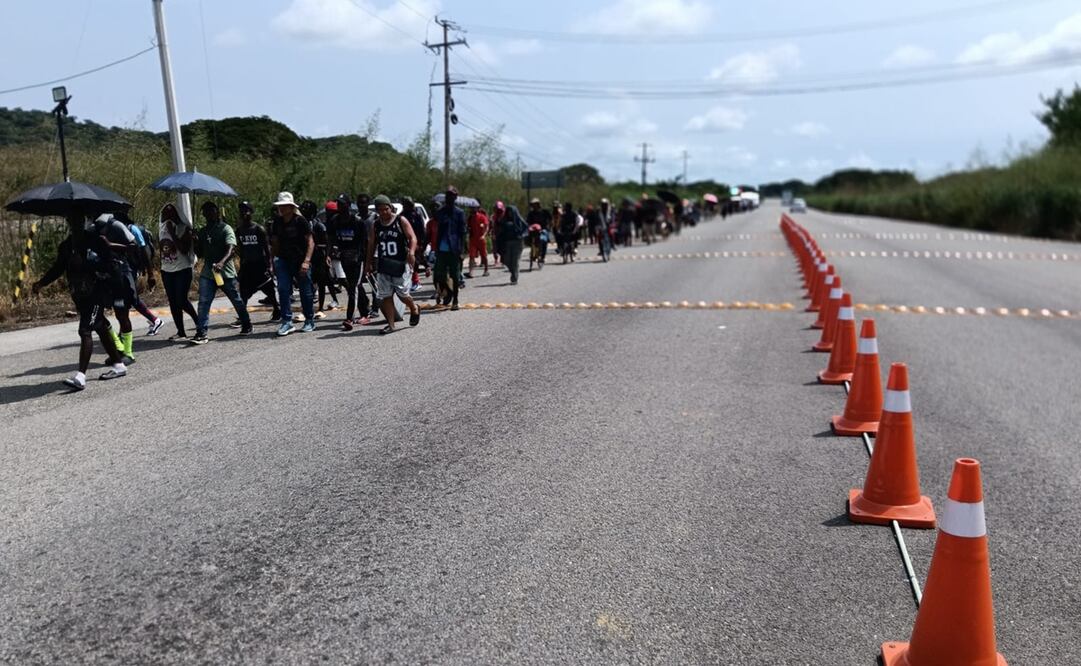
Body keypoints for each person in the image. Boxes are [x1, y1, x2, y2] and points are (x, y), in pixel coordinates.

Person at [33, 210, 127, 389]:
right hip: (80, 295)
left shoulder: (96, 241)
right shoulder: (67, 246)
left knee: (85, 330)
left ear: (83, 221)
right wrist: (41, 283)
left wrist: (86, 264)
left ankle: (80, 376)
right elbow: (58, 269)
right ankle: (118, 364)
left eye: (78, 220)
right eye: (71, 220)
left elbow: (112, 265)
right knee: (99, 326)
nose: (75, 224)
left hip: (97, 294)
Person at [190, 201, 251, 343]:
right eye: (205, 212)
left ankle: (246, 324)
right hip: (208, 273)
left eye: (211, 211)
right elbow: (200, 253)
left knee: (236, 300)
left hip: (225, 272)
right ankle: (201, 333)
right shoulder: (203, 231)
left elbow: (232, 249)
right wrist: (195, 241)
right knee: (203, 302)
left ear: (217, 212)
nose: (208, 214)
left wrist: (222, 262)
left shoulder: (225, 228)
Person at [366, 195, 420, 334]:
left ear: (390, 207)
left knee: (402, 295)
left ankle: (414, 307)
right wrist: (369, 263)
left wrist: (412, 252)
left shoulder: (400, 220)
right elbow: (371, 245)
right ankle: (391, 325)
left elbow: (412, 237)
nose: (384, 212)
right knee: (386, 296)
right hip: (384, 265)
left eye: (386, 209)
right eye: (380, 210)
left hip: (400, 263)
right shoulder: (376, 225)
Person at [91, 212, 139, 364]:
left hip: (121, 276)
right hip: (103, 278)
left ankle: (128, 353)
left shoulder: (116, 225)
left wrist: (111, 245)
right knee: (98, 316)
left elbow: (134, 246)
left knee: (122, 315)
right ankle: (118, 348)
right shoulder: (92, 228)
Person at [270, 192, 315, 335]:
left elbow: (310, 242)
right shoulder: (276, 222)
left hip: (300, 260)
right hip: (283, 260)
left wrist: (306, 261)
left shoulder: (300, 221)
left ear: (291, 206)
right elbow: (275, 243)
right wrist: (272, 262)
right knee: (283, 289)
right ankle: (287, 322)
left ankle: (309, 320)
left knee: (305, 292)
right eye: (280, 206)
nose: (281, 209)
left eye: (284, 206)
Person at [158, 202, 200, 340]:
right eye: (165, 212)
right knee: (173, 302)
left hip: (182, 269)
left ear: (176, 214)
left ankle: (199, 324)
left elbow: (183, 249)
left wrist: (172, 233)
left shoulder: (184, 229)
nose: (167, 215)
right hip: (167, 270)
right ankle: (180, 331)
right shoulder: (161, 227)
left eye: (170, 212)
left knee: (181, 300)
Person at [329, 193, 370, 330]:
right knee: (354, 287)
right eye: (338, 204)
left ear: (348, 205)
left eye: (342, 204)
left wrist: (365, 260)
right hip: (344, 259)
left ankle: (349, 318)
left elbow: (365, 242)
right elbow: (332, 238)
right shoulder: (335, 221)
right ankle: (365, 310)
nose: (340, 206)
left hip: (358, 260)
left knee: (353, 287)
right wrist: (331, 253)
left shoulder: (357, 222)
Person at [235, 200, 280, 323]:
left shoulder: (259, 229)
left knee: (269, 290)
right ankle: (243, 316)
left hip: (260, 265)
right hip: (247, 265)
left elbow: (267, 249)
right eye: (242, 211)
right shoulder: (239, 230)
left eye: (246, 211)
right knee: (243, 292)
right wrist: (241, 266)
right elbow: (240, 249)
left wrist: (270, 266)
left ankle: (277, 309)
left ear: (251, 213)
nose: (244, 214)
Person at [433, 186, 467, 310]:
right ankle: (448, 291)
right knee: (439, 275)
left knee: (455, 275)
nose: (449, 197)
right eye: (447, 195)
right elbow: (437, 223)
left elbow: (463, 232)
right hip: (441, 249)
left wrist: (462, 251)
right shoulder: (441, 211)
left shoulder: (460, 213)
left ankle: (455, 300)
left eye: (452, 195)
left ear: (455, 197)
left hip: (454, 249)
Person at [302, 199, 336, 317]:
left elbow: (327, 242)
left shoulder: (319, 225)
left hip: (319, 258)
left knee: (322, 283)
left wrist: (327, 255)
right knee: (308, 283)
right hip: (307, 257)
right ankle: (307, 307)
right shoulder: (301, 224)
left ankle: (320, 308)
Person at [492, 201, 528, 284]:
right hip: (507, 243)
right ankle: (513, 272)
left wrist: (523, 235)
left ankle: (515, 277)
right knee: (507, 260)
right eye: (508, 211)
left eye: (511, 211)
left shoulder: (518, 220)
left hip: (517, 243)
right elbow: (499, 230)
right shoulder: (504, 221)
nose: (509, 213)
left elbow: (526, 228)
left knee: (515, 260)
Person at [401, 197, 427, 293]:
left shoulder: (417, 215)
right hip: (405, 243)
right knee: (405, 263)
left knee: (415, 262)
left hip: (416, 242)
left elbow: (422, 230)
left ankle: (416, 281)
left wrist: (421, 243)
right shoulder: (402, 216)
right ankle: (408, 282)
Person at [465, 202, 489, 278]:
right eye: (470, 208)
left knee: (484, 255)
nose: (471, 209)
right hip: (472, 240)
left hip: (481, 239)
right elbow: (468, 227)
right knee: (471, 256)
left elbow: (486, 227)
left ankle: (486, 270)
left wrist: (484, 235)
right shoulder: (469, 218)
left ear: (477, 208)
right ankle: (470, 272)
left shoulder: (482, 217)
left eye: (473, 208)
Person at [525, 198, 551, 266]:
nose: (534, 206)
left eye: (535, 204)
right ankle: (533, 252)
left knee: (543, 240)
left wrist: (548, 226)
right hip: (533, 230)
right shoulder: (531, 213)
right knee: (527, 238)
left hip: (543, 229)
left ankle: (542, 257)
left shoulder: (544, 212)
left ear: (538, 204)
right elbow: (527, 222)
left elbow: (550, 219)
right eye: (532, 205)